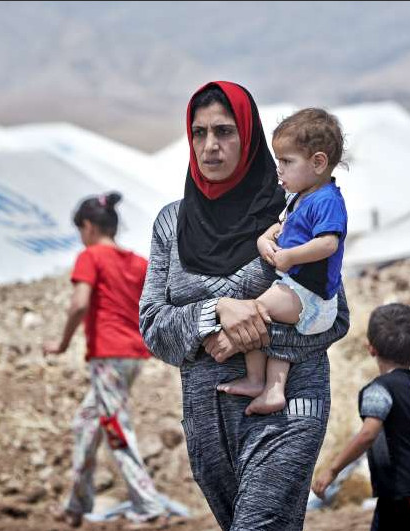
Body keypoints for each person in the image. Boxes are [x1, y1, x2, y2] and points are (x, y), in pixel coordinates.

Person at [139, 81, 350, 531]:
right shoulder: (171, 223)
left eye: (225, 132)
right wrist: (216, 312)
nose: (210, 147)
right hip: (208, 421)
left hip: (287, 407)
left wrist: (247, 326)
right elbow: (154, 325)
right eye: (199, 133)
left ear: (250, 136)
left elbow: (335, 316)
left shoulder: (296, 208)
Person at [43, 192, 165, 527]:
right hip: (133, 355)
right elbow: (151, 306)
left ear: (88, 226)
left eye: (80, 229)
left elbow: (79, 303)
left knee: (115, 428)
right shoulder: (139, 263)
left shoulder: (90, 256)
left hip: (109, 356)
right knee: (85, 423)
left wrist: (62, 343)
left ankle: (148, 503)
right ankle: (76, 505)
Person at [217, 108, 348, 416]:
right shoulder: (301, 196)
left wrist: (289, 256)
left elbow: (328, 243)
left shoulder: (327, 200)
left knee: (253, 312)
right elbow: (281, 227)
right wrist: (265, 240)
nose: (280, 170)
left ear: (318, 162)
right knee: (275, 327)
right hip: (297, 288)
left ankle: (254, 377)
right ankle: (273, 390)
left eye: (287, 162)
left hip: (309, 294)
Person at [311, 303, 410, 531]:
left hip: (407, 489)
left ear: (370, 348)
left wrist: (332, 470)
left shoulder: (379, 390)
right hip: (396, 488)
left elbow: (368, 433)